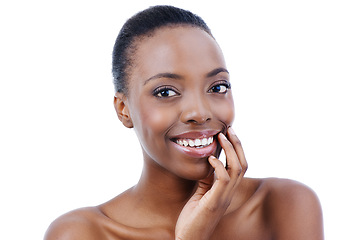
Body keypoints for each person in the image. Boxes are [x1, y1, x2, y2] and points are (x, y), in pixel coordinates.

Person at [44, 5, 323, 240]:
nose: (199, 113)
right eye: (166, 92)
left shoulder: (283, 205)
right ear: (123, 109)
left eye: (217, 87)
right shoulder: (83, 233)